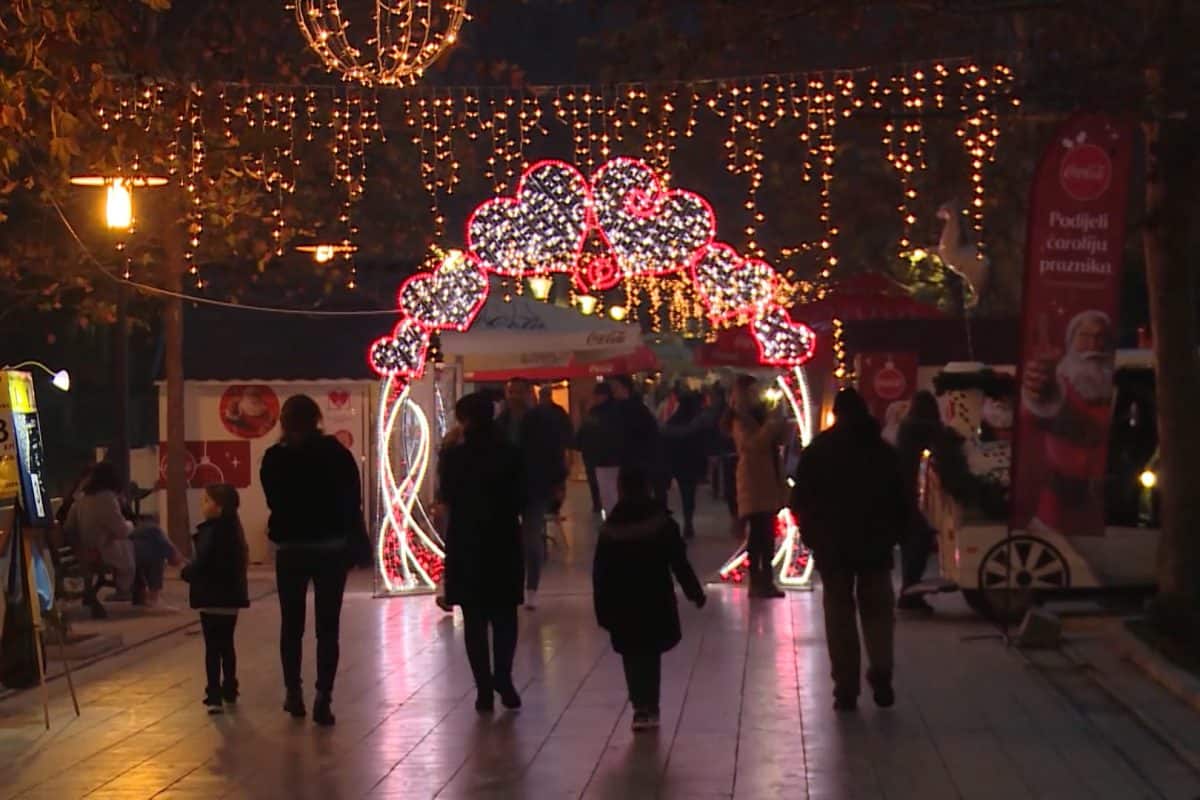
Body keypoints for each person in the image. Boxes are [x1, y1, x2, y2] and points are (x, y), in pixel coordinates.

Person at [791, 388, 908, 711]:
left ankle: (846, 686)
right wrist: (893, 535)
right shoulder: (884, 452)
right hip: (875, 547)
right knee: (878, 612)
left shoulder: (818, 451)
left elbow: (800, 500)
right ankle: (881, 671)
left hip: (833, 549)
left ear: (837, 414)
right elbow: (901, 500)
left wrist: (813, 537)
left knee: (839, 614)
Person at [261, 394, 367, 727]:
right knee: (327, 627)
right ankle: (324, 696)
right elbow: (352, 500)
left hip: (291, 547)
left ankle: (294, 692)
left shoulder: (275, 458)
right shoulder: (336, 454)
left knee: (291, 625)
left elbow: (273, 500)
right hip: (330, 548)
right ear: (317, 419)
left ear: (284, 422)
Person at [593, 466, 705, 732]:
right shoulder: (662, 523)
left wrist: (602, 609)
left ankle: (639, 706)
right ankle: (651, 705)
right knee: (650, 655)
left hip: (622, 603)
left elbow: (601, 574)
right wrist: (694, 593)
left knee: (631, 654)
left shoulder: (611, 528)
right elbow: (679, 563)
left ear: (621, 489)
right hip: (655, 598)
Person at [439, 393, 526, 713]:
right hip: (503, 540)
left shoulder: (454, 457)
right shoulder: (510, 453)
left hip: (466, 542)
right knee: (505, 616)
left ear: (464, 420)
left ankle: (483, 689)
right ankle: (503, 676)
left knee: (474, 619)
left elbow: (447, 495)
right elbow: (521, 496)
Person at [1018, 309, 1115, 538]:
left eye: (1100, 337)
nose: (1093, 344)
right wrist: (1041, 388)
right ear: (1072, 340)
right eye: (1085, 336)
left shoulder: (1113, 380)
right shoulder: (1061, 382)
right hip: (1061, 497)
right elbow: (1041, 409)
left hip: (1104, 497)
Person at [497, 377, 567, 610]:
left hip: (535, 486)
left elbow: (554, 452)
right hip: (507, 488)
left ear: (529, 394)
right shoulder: (501, 422)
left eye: (518, 392)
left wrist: (558, 483)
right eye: (511, 392)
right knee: (508, 541)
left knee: (531, 539)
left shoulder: (542, 421)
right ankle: (513, 586)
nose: (514, 397)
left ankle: (531, 588)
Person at [181, 484, 250, 714]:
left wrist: (186, 573)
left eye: (207, 501)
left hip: (211, 596)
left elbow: (203, 563)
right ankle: (230, 688)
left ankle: (214, 694)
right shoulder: (235, 531)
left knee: (212, 647)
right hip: (230, 598)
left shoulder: (212, 532)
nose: (203, 505)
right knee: (227, 644)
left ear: (219, 507)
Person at [727, 375, 789, 598]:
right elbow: (751, 446)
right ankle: (757, 580)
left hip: (768, 479)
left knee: (767, 533)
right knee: (758, 533)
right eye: (751, 391)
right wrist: (771, 427)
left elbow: (776, 441)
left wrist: (779, 424)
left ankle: (766, 579)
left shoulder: (760, 414)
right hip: (753, 481)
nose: (755, 395)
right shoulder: (740, 419)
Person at [894, 391, 943, 612]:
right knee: (919, 540)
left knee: (911, 542)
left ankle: (909, 589)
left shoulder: (906, 427)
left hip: (904, 492)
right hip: (915, 493)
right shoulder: (922, 427)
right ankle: (910, 591)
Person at [63, 462, 136, 603]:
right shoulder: (106, 498)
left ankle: (134, 590)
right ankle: (128, 590)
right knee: (149, 543)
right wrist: (131, 525)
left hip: (87, 550)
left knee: (151, 536)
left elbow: (69, 527)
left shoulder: (81, 498)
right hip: (102, 551)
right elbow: (122, 530)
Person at [610, 375, 666, 502]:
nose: (613, 391)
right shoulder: (627, 408)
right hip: (633, 462)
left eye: (615, 387)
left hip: (637, 463)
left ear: (625, 389)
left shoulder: (633, 410)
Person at [662, 390, 707, 539]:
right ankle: (688, 521)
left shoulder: (673, 421)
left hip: (676, 462)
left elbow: (666, 440)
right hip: (692, 462)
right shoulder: (696, 421)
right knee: (689, 494)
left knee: (681, 492)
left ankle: (676, 523)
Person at [577, 382, 626, 516]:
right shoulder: (613, 410)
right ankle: (609, 512)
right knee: (608, 488)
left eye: (597, 395)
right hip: (605, 456)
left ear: (604, 396)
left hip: (604, 457)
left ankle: (610, 514)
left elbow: (587, 431)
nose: (595, 398)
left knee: (607, 489)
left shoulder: (599, 412)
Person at [130, 520, 184, 609]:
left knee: (138, 575)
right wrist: (173, 554)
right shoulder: (155, 530)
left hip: (131, 556)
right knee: (156, 567)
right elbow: (165, 545)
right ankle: (153, 599)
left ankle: (140, 597)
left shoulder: (137, 531)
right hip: (149, 556)